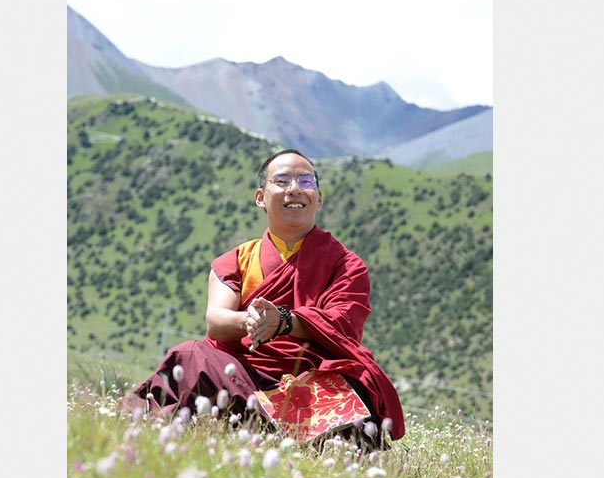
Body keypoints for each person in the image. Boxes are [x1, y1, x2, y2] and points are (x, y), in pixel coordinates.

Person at [129, 149, 405, 441]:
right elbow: (216, 320)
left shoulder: (346, 264)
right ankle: (282, 430)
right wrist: (253, 320)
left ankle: (256, 426)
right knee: (189, 356)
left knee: (358, 382)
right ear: (260, 197)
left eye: (306, 181)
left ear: (319, 198)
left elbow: (343, 324)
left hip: (312, 380)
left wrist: (284, 321)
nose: (295, 189)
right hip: (245, 375)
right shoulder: (237, 259)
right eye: (282, 180)